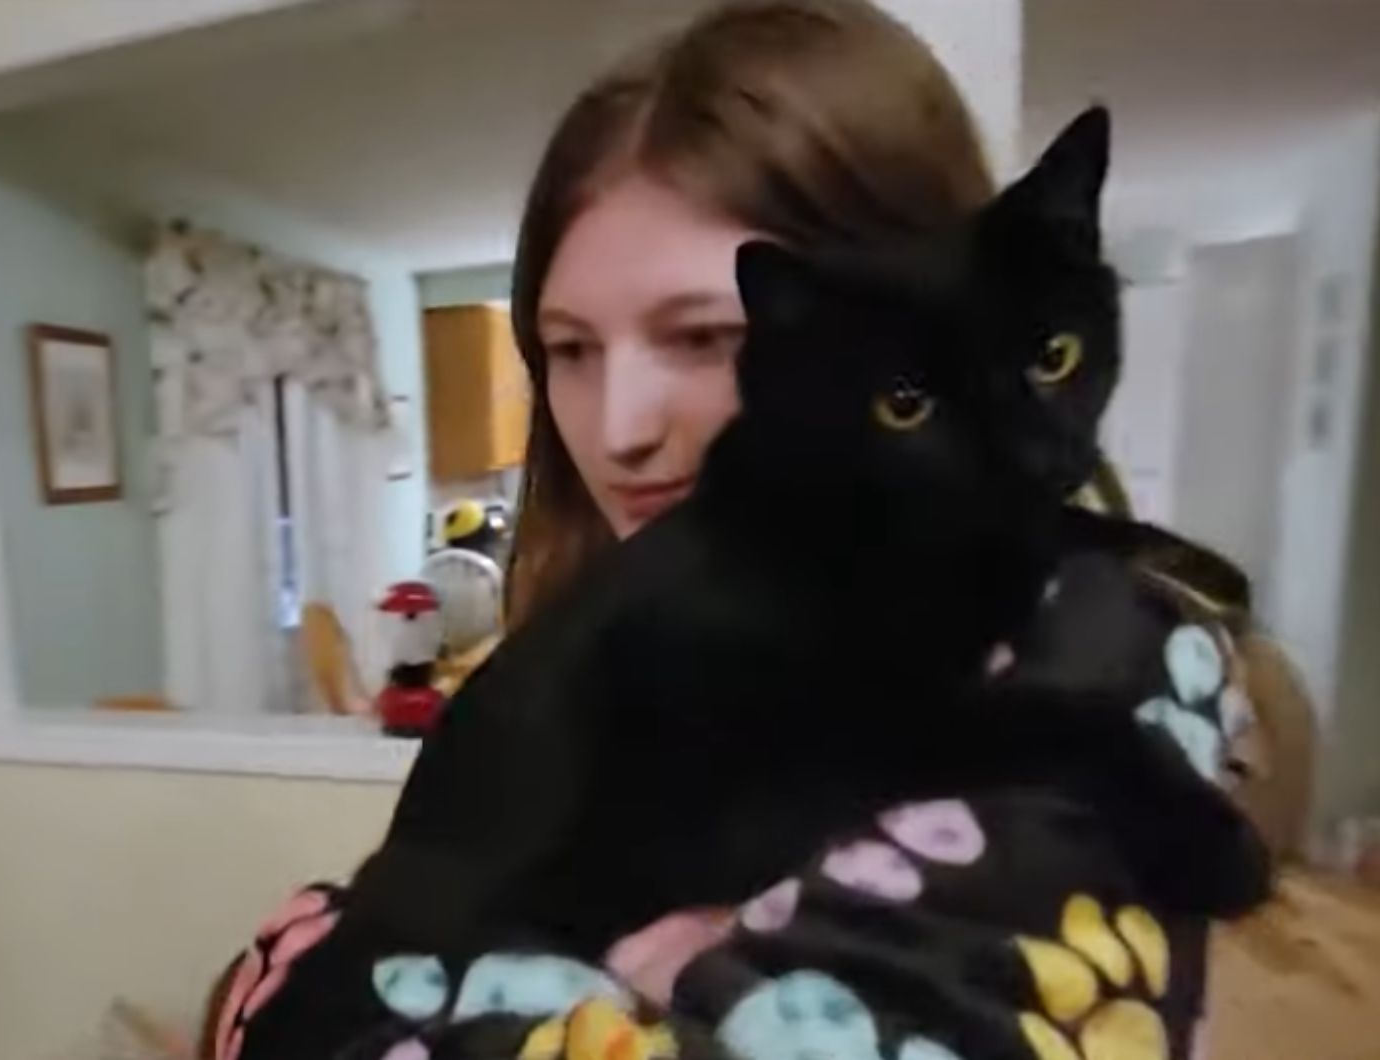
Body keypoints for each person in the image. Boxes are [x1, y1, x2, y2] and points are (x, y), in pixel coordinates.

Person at [206, 4, 1269, 1058]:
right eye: (567, 350)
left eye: (709, 336)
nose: (618, 431)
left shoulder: (1102, 639)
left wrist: (283, 962)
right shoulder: (658, 623)